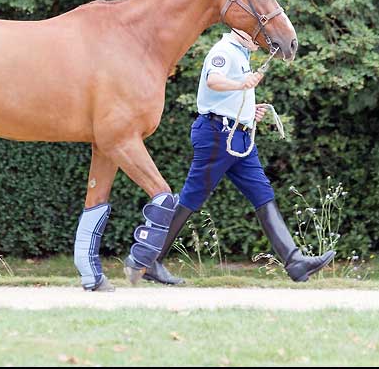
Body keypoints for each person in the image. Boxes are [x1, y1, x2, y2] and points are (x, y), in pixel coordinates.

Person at [142, 28, 335, 284]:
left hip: (238, 137)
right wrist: (240, 84)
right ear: (242, 32)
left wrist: (248, 111)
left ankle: (295, 262)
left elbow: (227, 96)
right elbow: (214, 80)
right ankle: (150, 261)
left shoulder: (241, 53)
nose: (262, 42)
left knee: (262, 194)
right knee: (192, 196)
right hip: (217, 135)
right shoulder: (223, 51)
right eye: (258, 36)